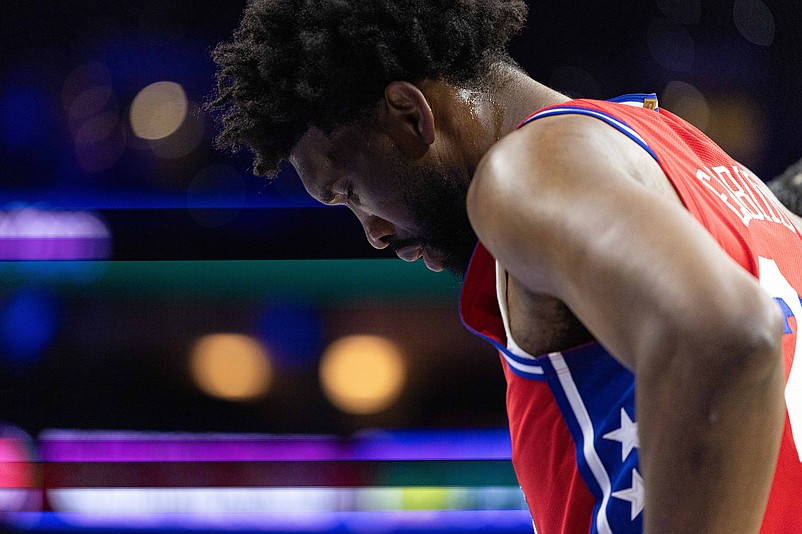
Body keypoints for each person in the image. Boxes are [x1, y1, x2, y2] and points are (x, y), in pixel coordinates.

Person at [209, 1, 802, 532]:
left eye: (349, 190)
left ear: (410, 116)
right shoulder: (687, 152)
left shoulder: (528, 173)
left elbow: (726, 334)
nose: (373, 232)